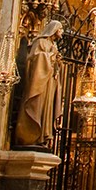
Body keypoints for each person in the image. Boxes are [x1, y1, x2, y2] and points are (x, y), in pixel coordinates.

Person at [14, 20, 64, 149]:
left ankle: (43, 136)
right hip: (39, 82)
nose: (62, 32)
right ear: (54, 29)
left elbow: (55, 66)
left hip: (49, 83)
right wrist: (52, 56)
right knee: (36, 105)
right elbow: (34, 59)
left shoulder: (53, 45)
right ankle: (30, 136)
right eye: (60, 29)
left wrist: (58, 63)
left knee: (47, 109)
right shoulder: (41, 42)